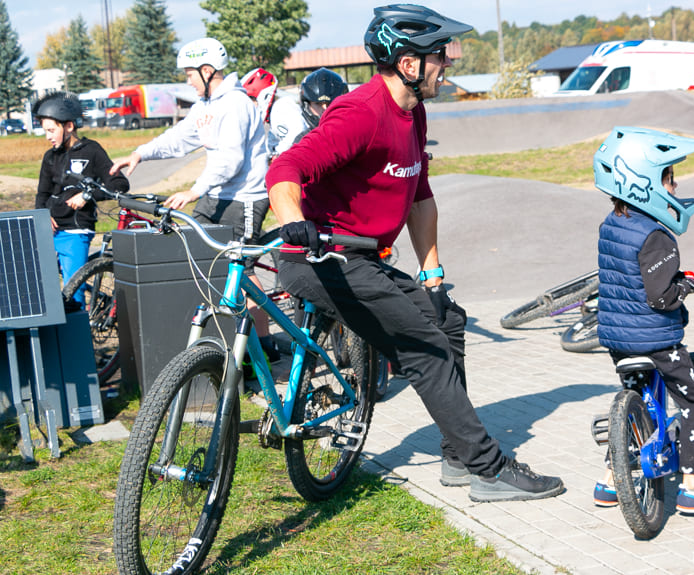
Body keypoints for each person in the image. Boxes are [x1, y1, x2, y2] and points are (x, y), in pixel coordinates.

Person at [266, 4, 564, 503]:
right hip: (320, 257)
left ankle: (457, 454)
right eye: (439, 57)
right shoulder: (360, 113)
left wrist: (432, 275)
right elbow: (287, 168)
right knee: (424, 346)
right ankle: (488, 469)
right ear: (409, 65)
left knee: (446, 319)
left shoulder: (414, 113)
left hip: (363, 258)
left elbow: (419, 197)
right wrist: (291, 220)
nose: (446, 65)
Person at [591, 126, 694, 515]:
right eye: (668, 177)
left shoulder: (611, 224)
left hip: (617, 339)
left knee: (637, 407)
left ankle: (610, 483)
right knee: (693, 402)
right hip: (656, 340)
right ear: (645, 183)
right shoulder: (656, 237)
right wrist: (686, 285)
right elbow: (660, 296)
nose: (674, 186)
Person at [110, 38, 279, 360]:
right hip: (215, 195)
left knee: (237, 268)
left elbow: (231, 161)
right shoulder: (206, 106)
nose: (187, 80)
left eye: (189, 74)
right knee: (191, 251)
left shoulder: (236, 105)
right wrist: (140, 154)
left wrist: (194, 190)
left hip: (244, 198)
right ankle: (218, 334)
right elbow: (180, 138)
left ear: (207, 70)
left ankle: (264, 339)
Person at [33, 91, 130, 306]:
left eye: (51, 130)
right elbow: (42, 195)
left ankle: (77, 335)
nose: (48, 136)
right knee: (37, 282)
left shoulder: (92, 151)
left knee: (72, 298)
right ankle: (98, 295)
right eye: (45, 131)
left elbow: (120, 185)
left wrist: (88, 195)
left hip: (75, 232)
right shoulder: (50, 156)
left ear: (68, 126)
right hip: (50, 231)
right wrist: (42, 217)